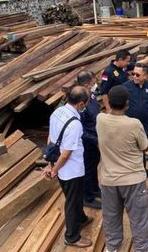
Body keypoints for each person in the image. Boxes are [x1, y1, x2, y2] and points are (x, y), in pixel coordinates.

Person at [96, 85, 148, 252]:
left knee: (111, 216)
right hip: (133, 180)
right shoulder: (134, 124)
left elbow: (108, 115)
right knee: (138, 216)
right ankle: (142, 247)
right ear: (127, 104)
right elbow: (145, 147)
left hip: (108, 180)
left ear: (109, 101)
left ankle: (112, 246)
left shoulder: (100, 119)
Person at [43, 86, 93, 248]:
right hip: (71, 170)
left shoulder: (57, 112)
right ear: (80, 104)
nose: (87, 105)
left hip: (61, 167)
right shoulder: (75, 124)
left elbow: (51, 139)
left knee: (74, 197)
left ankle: (82, 219)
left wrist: (50, 165)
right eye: (86, 102)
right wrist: (54, 170)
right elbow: (66, 153)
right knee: (72, 201)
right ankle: (71, 237)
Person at [123, 64, 148, 177]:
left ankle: (143, 170)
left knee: (143, 148)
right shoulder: (125, 87)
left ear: (145, 76)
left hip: (143, 124)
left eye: (138, 74)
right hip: (128, 125)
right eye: (133, 74)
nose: (135, 77)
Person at [77, 71, 102, 209]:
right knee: (87, 168)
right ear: (87, 84)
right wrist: (94, 140)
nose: (95, 85)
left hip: (95, 138)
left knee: (94, 164)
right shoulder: (80, 104)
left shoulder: (91, 96)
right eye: (93, 82)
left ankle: (94, 189)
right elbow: (80, 130)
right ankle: (87, 197)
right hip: (87, 142)